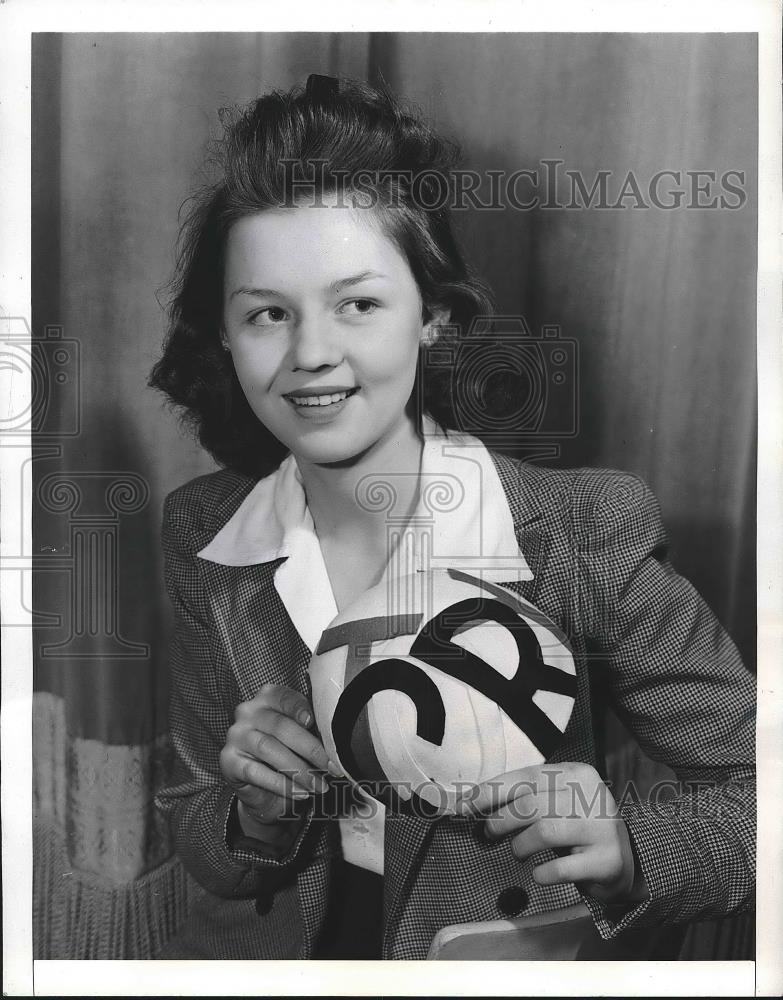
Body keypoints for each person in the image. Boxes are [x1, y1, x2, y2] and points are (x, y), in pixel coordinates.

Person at [149, 74, 755, 961]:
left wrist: (632, 852)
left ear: (431, 316)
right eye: (268, 314)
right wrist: (252, 813)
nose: (312, 353)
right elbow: (206, 843)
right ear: (227, 339)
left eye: (358, 302)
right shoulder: (202, 531)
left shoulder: (579, 532)